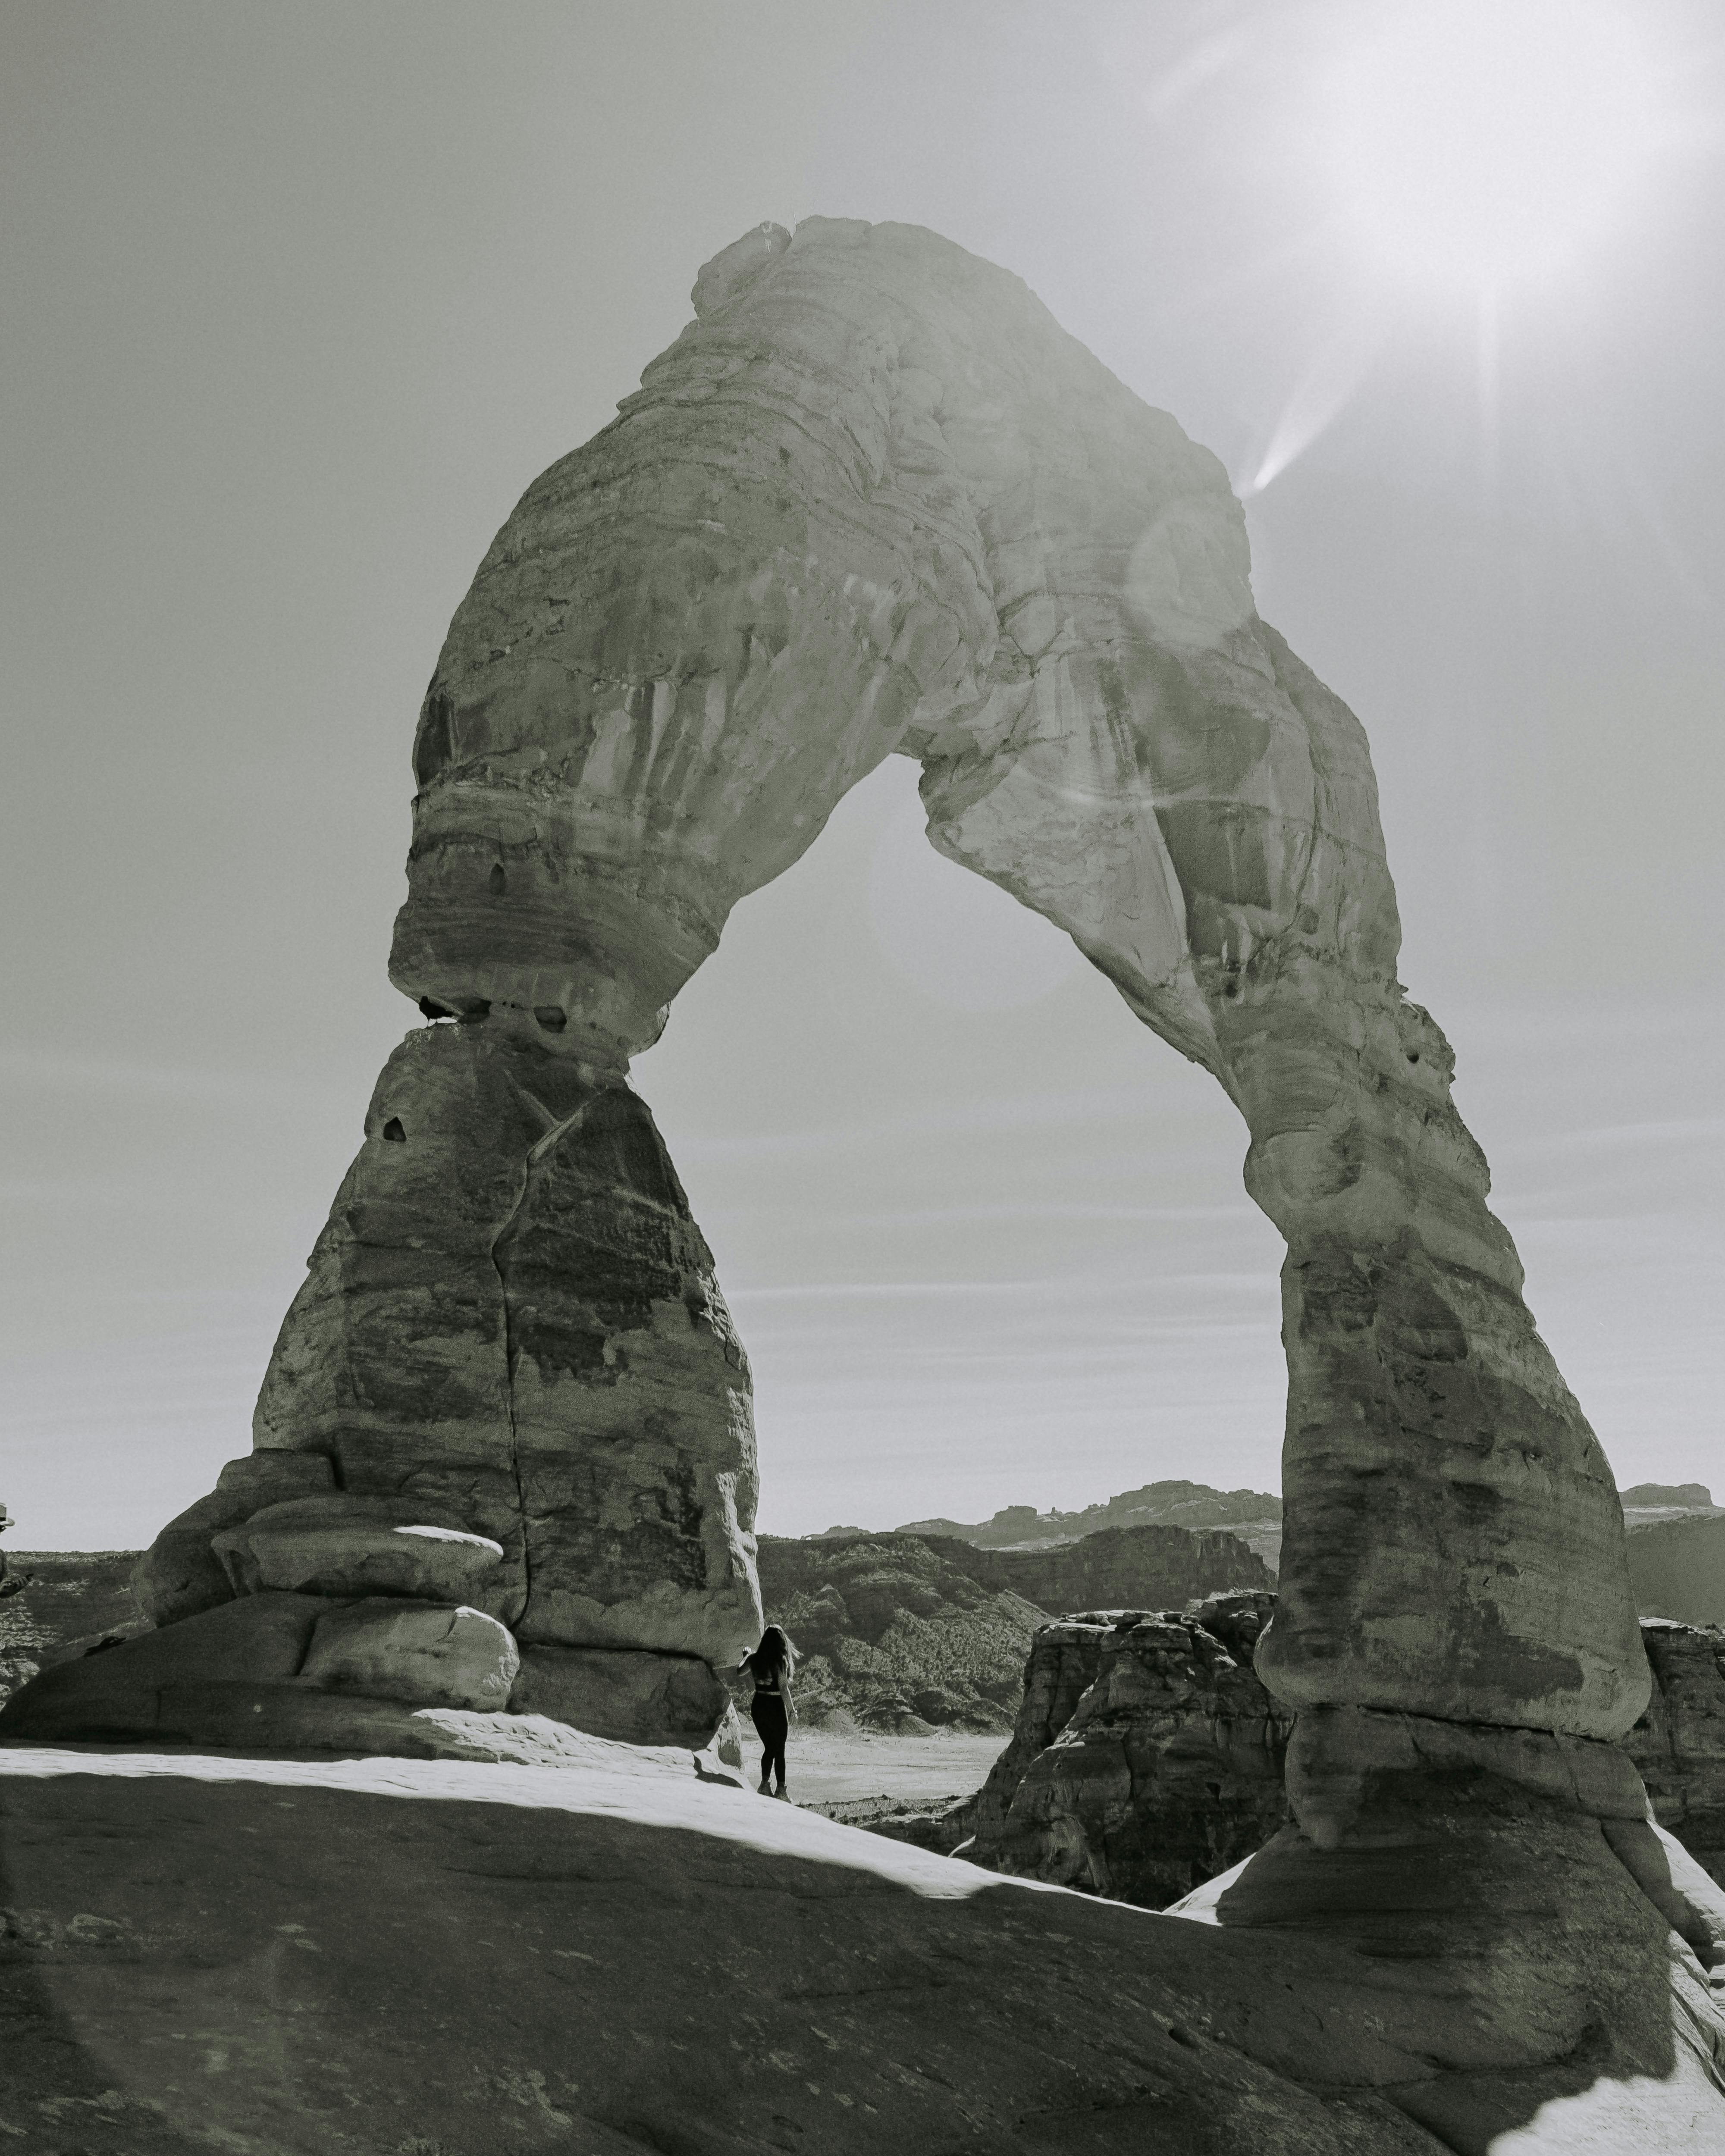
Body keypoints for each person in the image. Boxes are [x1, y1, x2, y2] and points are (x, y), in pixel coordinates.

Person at [738, 1625, 796, 1799]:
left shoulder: (755, 1659)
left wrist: (746, 1656)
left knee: (770, 1747)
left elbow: (740, 1671)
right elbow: (784, 1689)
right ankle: (781, 1791)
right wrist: (792, 1711)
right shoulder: (780, 1661)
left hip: (759, 1706)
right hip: (775, 1706)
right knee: (779, 1750)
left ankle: (764, 1785)